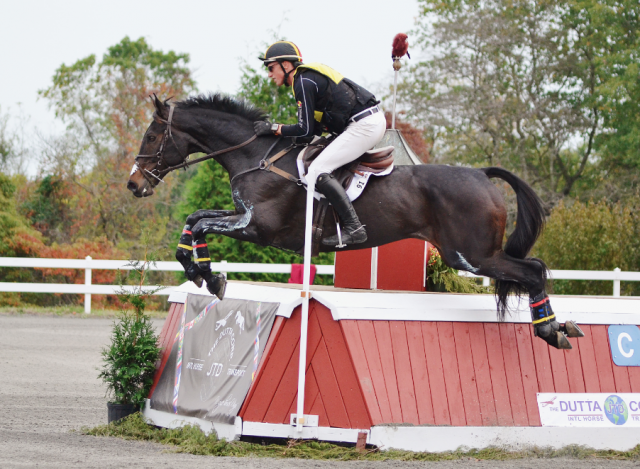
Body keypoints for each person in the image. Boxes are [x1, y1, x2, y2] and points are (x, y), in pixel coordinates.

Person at [253, 41, 386, 246]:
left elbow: (304, 129)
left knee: (317, 170)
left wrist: (274, 128)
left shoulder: (302, 81)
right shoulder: (305, 80)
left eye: (271, 68)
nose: (269, 74)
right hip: (364, 122)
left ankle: (354, 228)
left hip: (364, 125)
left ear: (286, 65)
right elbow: (310, 132)